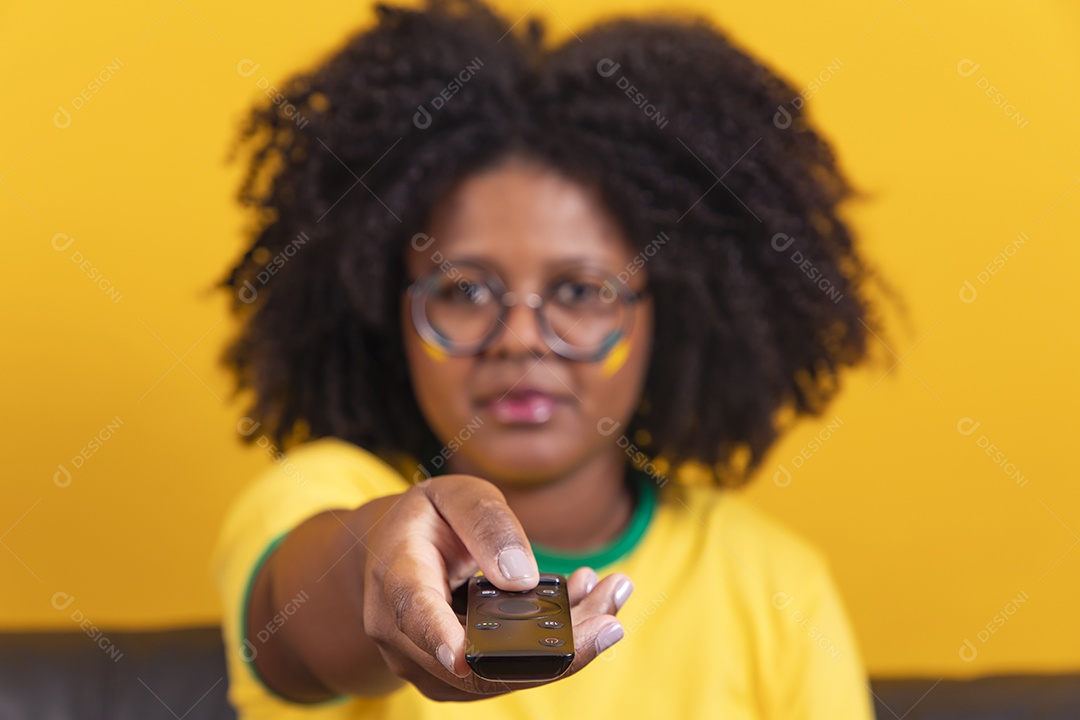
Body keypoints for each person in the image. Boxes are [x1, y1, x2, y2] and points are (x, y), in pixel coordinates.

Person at [212, 0, 901, 717]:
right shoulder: (325, 492)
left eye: (579, 290)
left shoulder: (773, 584)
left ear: (670, 314)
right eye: (464, 290)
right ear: (387, 310)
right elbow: (304, 619)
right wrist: (384, 557)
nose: (518, 338)